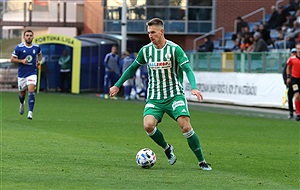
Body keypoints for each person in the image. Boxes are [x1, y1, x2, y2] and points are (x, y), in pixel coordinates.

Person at [110, 18, 212, 170]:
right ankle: (167, 148)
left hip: (174, 95)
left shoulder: (175, 49)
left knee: (185, 127)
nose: (150, 35)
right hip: (155, 97)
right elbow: (132, 68)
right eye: (149, 33)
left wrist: (194, 87)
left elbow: (188, 70)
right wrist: (117, 85)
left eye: (153, 32)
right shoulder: (146, 50)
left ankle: (201, 161)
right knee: (148, 126)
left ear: (161, 31)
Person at [11, 29, 42, 120]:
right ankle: (22, 103)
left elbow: (40, 55)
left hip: (32, 73)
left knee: (31, 91)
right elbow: (12, 59)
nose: (29, 37)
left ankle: (30, 112)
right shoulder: (19, 47)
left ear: (33, 37)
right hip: (22, 75)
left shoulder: (36, 47)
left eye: (30, 35)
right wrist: (21, 61)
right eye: (27, 35)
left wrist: (38, 61)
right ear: (24, 37)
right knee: (22, 94)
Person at [286, 43, 300, 121]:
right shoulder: (292, 59)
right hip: (295, 79)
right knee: (297, 95)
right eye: (298, 49)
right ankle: (298, 113)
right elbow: (288, 67)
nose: (299, 50)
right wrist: (288, 77)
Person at [283, 48, 296, 119]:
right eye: (293, 53)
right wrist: (286, 81)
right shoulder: (288, 62)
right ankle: (291, 112)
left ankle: (297, 112)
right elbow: (284, 73)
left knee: (297, 97)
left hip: (296, 82)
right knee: (290, 98)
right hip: (290, 83)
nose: (294, 54)